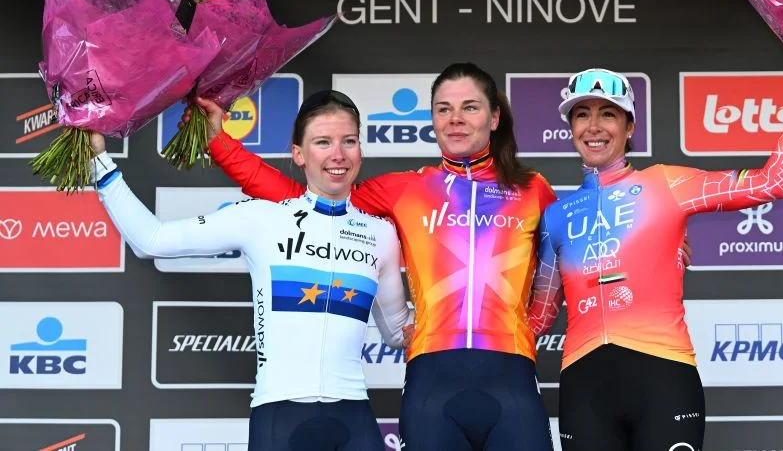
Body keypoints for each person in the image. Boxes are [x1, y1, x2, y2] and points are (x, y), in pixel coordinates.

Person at [199, 63, 559, 451]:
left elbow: (558, 265)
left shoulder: (533, 189)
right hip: (432, 384)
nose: (455, 119)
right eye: (443, 109)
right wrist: (220, 144)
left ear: (494, 117)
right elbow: (297, 198)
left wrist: (531, 323)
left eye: (470, 107)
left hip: (513, 377)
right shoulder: (404, 189)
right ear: (433, 119)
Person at [526, 44, 783, 451]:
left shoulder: (667, 184)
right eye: (582, 114)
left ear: (630, 126)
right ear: (570, 128)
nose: (594, 126)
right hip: (584, 387)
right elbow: (538, 318)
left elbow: (773, 182)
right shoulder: (556, 217)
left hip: (663, 378)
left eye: (608, 114)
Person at [91, 90, 409, 451]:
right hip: (280, 418)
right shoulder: (260, 218)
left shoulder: (380, 234)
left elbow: (397, 331)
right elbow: (151, 240)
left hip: (354, 417)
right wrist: (100, 164)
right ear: (299, 154)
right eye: (323, 142)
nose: (338, 154)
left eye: (348, 141)